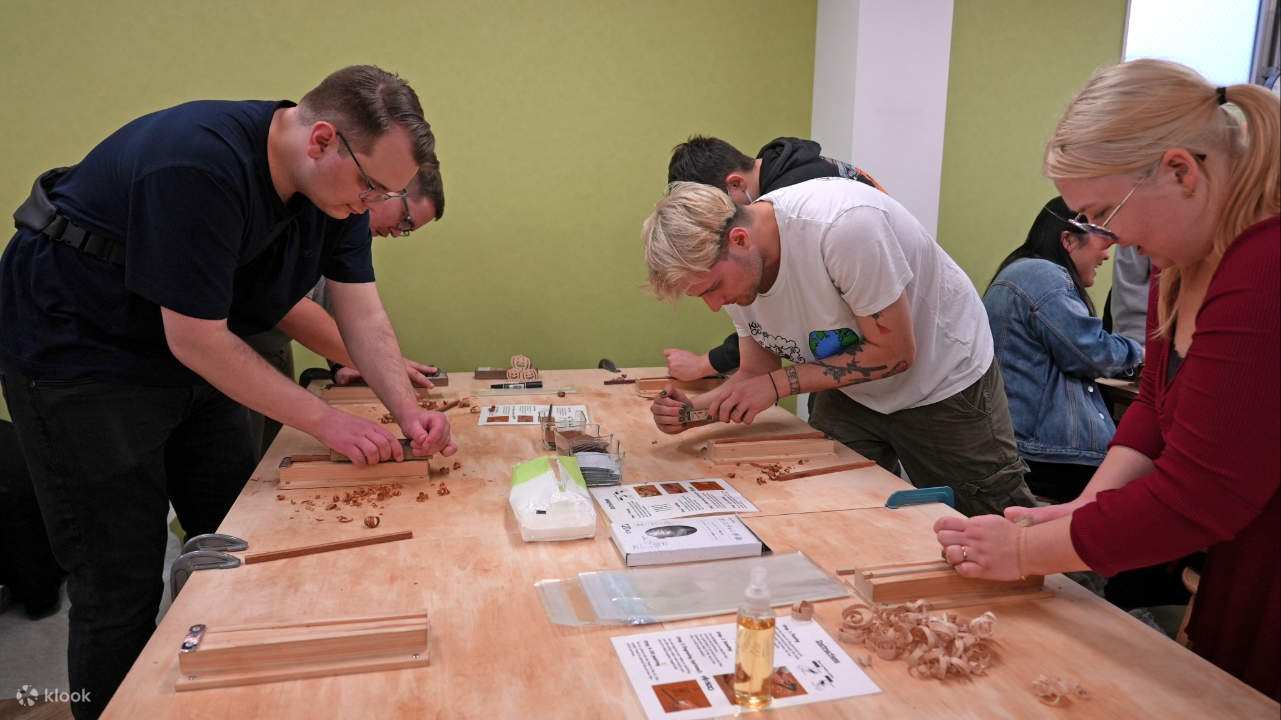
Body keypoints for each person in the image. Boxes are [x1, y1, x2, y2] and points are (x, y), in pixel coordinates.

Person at [0, 65, 455, 718]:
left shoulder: (338, 193)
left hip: (185, 348)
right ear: (321, 139)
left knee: (242, 537)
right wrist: (330, 423)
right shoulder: (198, 163)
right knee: (119, 583)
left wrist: (407, 413)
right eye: (370, 187)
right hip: (78, 355)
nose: (370, 204)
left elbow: (361, 314)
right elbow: (198, 340)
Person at [934, 59, 1279, 700]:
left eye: (1102, 212)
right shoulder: (1176, 265)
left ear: (1182, 171)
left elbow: (1199, 495)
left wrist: (1023, 554)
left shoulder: (1264, 269)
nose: (1107, 238)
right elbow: (1153, 404)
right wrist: (1088, 509)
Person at [640, 178, 1036, 517]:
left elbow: (896, 352)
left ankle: (1085, 593)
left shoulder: (843, 227)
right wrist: (694, 412)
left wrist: (780, 385)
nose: (714, 304)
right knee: (837, 509)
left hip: (942, 381)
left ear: (739, 240)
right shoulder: (742, 272)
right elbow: (756, 375)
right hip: (847, 386)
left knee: (996, 518)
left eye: (712, 289)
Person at [244, 164, 447, 457]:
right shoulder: (318, 207)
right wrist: (383, 366)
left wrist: (344, 364)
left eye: (407, 231)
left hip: (272, 350)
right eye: (404, 220)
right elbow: (287, 308)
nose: (396, 232)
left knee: (267, 456)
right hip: (234, 353)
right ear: (385, 186)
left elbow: (353, 311)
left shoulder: (348, 233)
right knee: (241, 472)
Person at [663, 136, 887, 380]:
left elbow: (783, 321)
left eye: (714, 211)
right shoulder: (778, 176)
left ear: (736, 184)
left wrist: (709, 364)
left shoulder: (802, 205)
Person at [983, 197, 1143, 502]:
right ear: (1068, 240)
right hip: (1048, 454)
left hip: (1029, 447)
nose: (1107, 255)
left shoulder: (1020, 271)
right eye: (1103, 241)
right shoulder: (1043, 274)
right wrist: (1142, 353)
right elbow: (1091, 351)